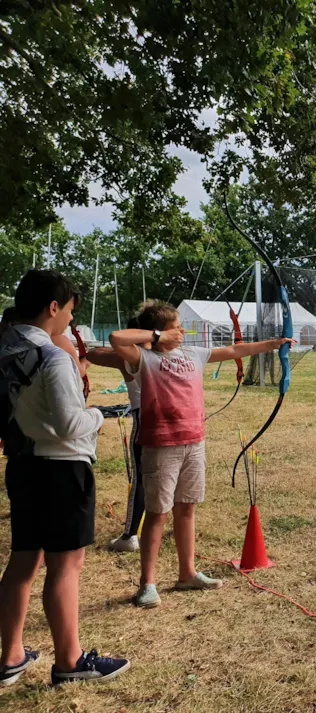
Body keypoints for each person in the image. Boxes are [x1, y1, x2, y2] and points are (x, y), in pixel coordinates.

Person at [109, 300, 293, 608]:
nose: (181, 332)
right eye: (175, 328)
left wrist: (272, 344)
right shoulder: (144, 358)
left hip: (194, 442)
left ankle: (187, 574)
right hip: (161, 445)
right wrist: (157, 337)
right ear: (157, 332)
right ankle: (147, 584)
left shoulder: (193, 354)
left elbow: (233, 351)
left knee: (187, 508)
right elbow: (116, 339)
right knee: (157, 513)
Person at [0, 269, 129, 687]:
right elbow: (69, 424)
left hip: (23, 466)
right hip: (61, 470)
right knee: (65, 566)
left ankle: (10, 656)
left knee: (23, 561)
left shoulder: (5, 349)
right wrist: (100, 415)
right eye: (70, 311)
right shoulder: (52, 357)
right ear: (53, 307)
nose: (71, 320)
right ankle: (70, 662)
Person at [85, 315, 148, 553]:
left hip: (145, 420)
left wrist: (119, 347)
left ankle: (130, 535)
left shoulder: (126, 358)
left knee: (141, 479)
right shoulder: (167, 354)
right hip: (174, 421)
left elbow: (92, 355)